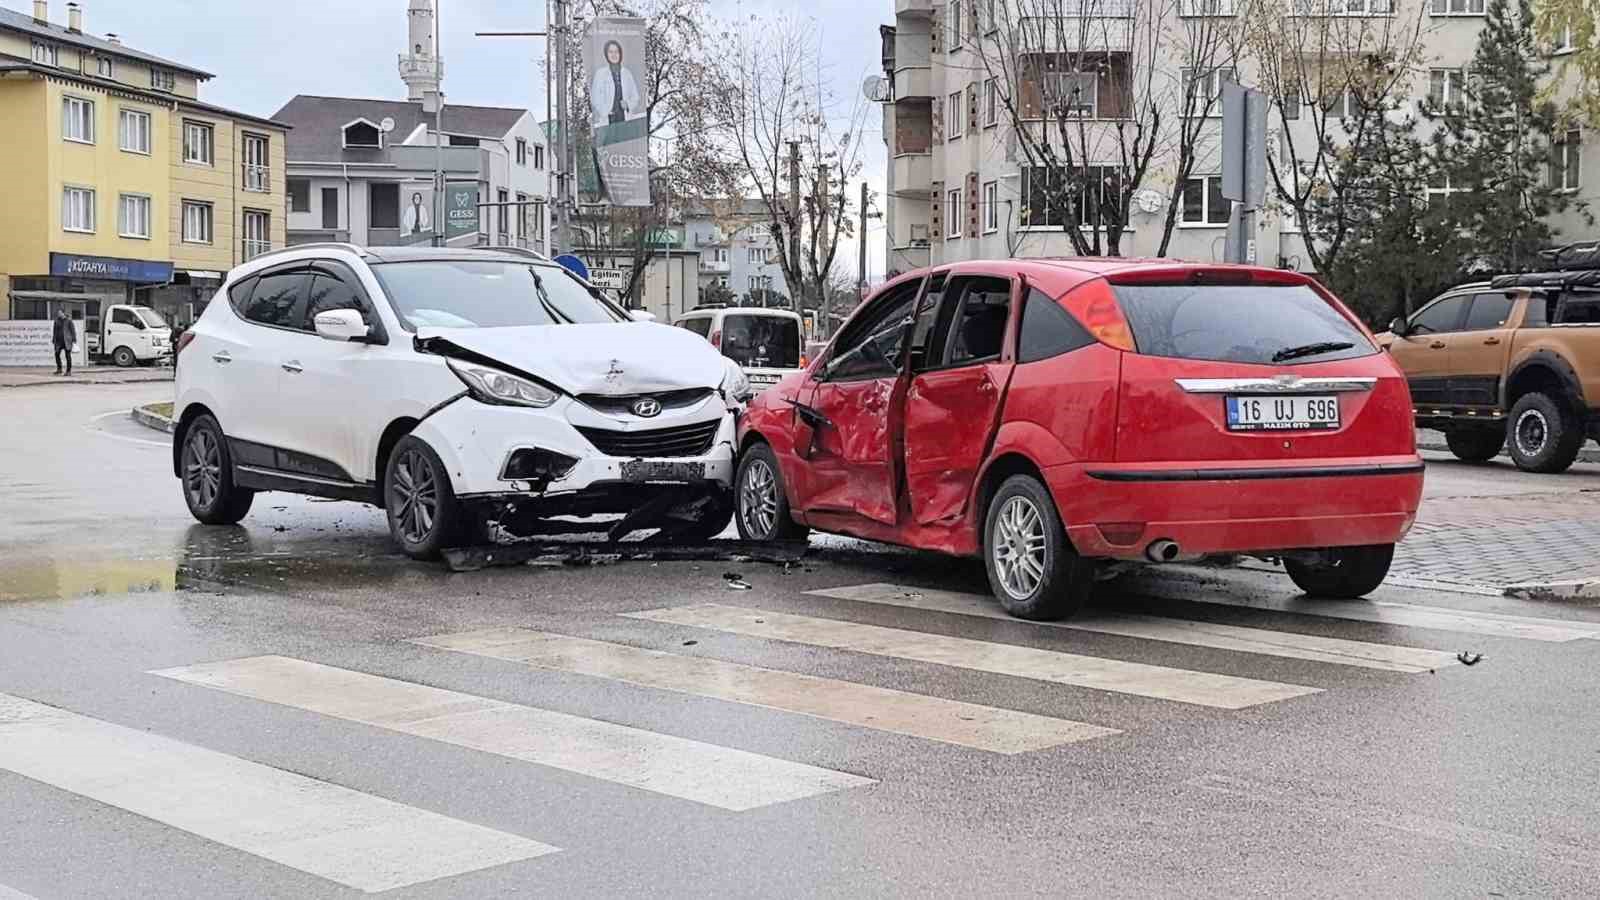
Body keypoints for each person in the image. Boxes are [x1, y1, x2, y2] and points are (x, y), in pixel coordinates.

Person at [589, 40, 640, 127]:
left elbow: (635, 97)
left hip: (624, 118)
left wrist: (628, 104)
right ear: (606, 54)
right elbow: (595, 98)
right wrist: (606, 110)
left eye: (616, 52)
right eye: (610, 52)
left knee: (625, 140)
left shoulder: (627, 73)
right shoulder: (600, 73)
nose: (614, 55)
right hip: (608, 118)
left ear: (620, 54)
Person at [52, 308, 76, 375]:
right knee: (57, 354)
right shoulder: (56, 321)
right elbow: (54, 331)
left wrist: (74, 339)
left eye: (60, 313)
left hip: (67, 341)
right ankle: (59, 369)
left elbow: (72, 330)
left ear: (63, 313)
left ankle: (68, 371)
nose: (58, 314)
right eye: (58, 313)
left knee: (67, 355)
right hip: (59, 341)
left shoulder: (69, 320)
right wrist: (54, 339)